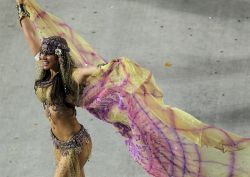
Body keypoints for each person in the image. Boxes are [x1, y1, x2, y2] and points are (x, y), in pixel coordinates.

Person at [16, 0, 250, 177]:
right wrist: (21, 8)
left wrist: (106, 68)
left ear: (59, 57)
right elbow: (31, 37)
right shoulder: (45, 70)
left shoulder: (73, 76)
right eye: (43, 53)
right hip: (58, 141)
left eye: (48, 53)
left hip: (75, 146)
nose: (43, 56)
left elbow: (90, 71)